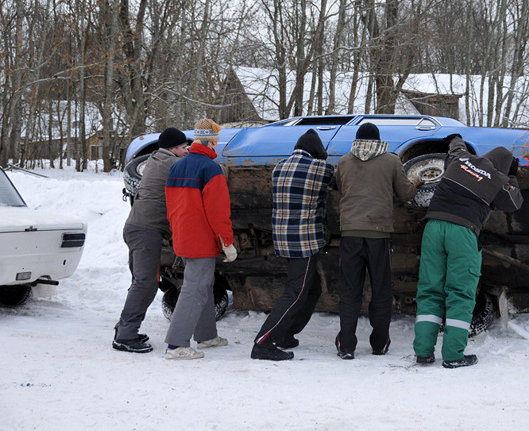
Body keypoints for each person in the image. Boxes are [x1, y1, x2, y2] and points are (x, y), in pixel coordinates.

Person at [413, 134, 523, 368]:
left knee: (430, 290)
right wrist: (512, 175)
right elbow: (514, 203)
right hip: (462, 232)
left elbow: (455, 147)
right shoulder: (498, 179)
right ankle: (453, 355)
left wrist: (456, 137)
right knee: (460, 293)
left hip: (432, 227)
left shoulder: (460, 159)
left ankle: (423, 352)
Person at [334, 122, 420, 359]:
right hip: (379, 234)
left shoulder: (343, 161)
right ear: (378, 139)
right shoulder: (391, 161)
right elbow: (405, 193)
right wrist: (415, 183)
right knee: (380, 289)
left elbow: (342, 190)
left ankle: (347, 345)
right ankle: (379, 343)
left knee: (350, 290)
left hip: (350, 233)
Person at [251, 129, 335, 361]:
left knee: (313, 288)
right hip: (304, 242)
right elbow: (337, 183)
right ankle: (263, 342)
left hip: (283, 239)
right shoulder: (321, 169)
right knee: (296, 293)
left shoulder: (279, 167)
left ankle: (286, 334)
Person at [163, 118, 237, 360]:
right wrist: (227, 242)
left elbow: (171, 207)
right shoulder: (211, 169)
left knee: (202, 285)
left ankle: (206, 336)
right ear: (211, 142)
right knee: (194, 289)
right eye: (216, 142)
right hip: (201, 241)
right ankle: (176, 345)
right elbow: (218, 213)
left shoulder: (177, 166)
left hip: (183, 237)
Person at [113, 128, 189, 353]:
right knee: (145, 283)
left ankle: (125, 328)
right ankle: (125, 335)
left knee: (141, 282)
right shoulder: (172, 164)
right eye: (184, 147)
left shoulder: (156, 159)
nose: (186, 151)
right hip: (146, 231)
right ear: (174, 148)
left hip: (137, 228)